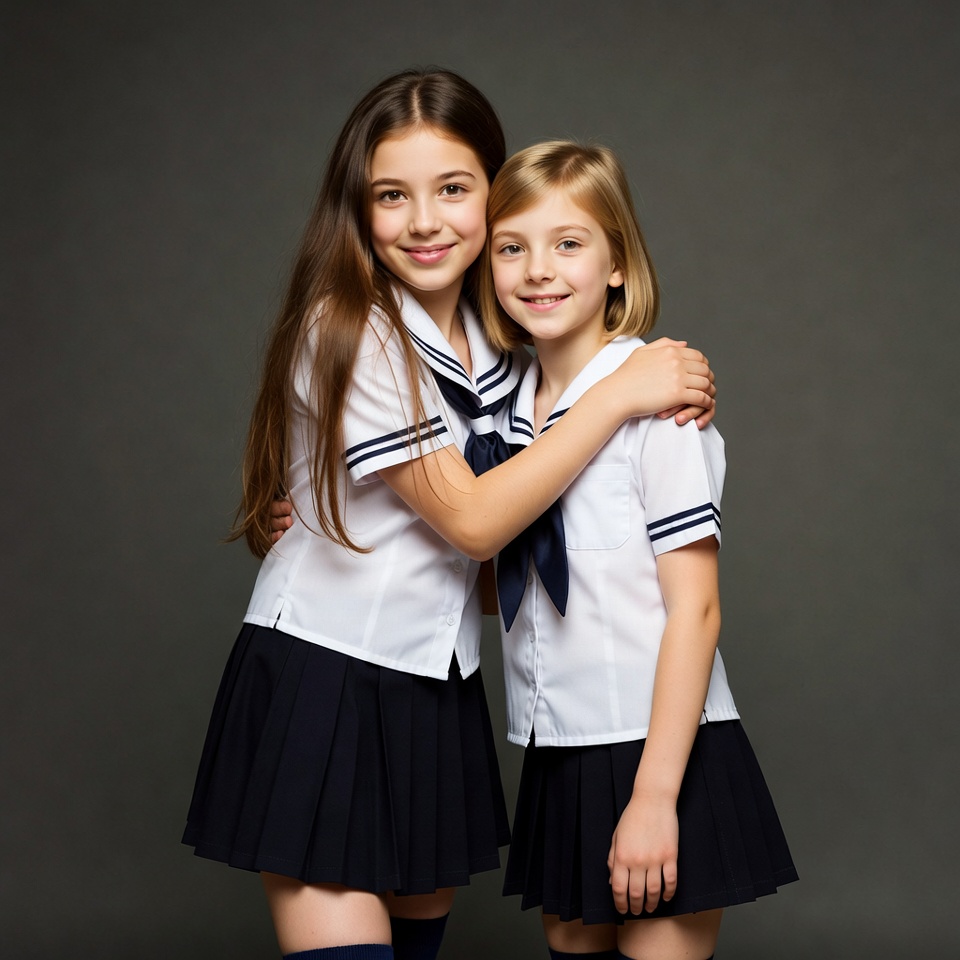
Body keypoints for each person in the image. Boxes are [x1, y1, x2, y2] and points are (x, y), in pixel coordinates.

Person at [184, 69, 717, 960]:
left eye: (455, 189)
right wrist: (623, 394)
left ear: (494, 196)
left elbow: (503, 551)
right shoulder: (346, 328)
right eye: (392, 195)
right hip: (326, 672)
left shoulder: (508, 339)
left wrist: (659, 386)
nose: (425, 220)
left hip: (437, 685)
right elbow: (473, 521)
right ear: (358, 207)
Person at [476, 140, 798, 960]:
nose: (538, 269)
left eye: (570, 243)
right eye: (512, 246)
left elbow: (696, 608)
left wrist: (656, 796)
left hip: (664, 749)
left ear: (618, 262)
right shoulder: (497, 417)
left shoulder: (663, 405)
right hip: (559, 752)